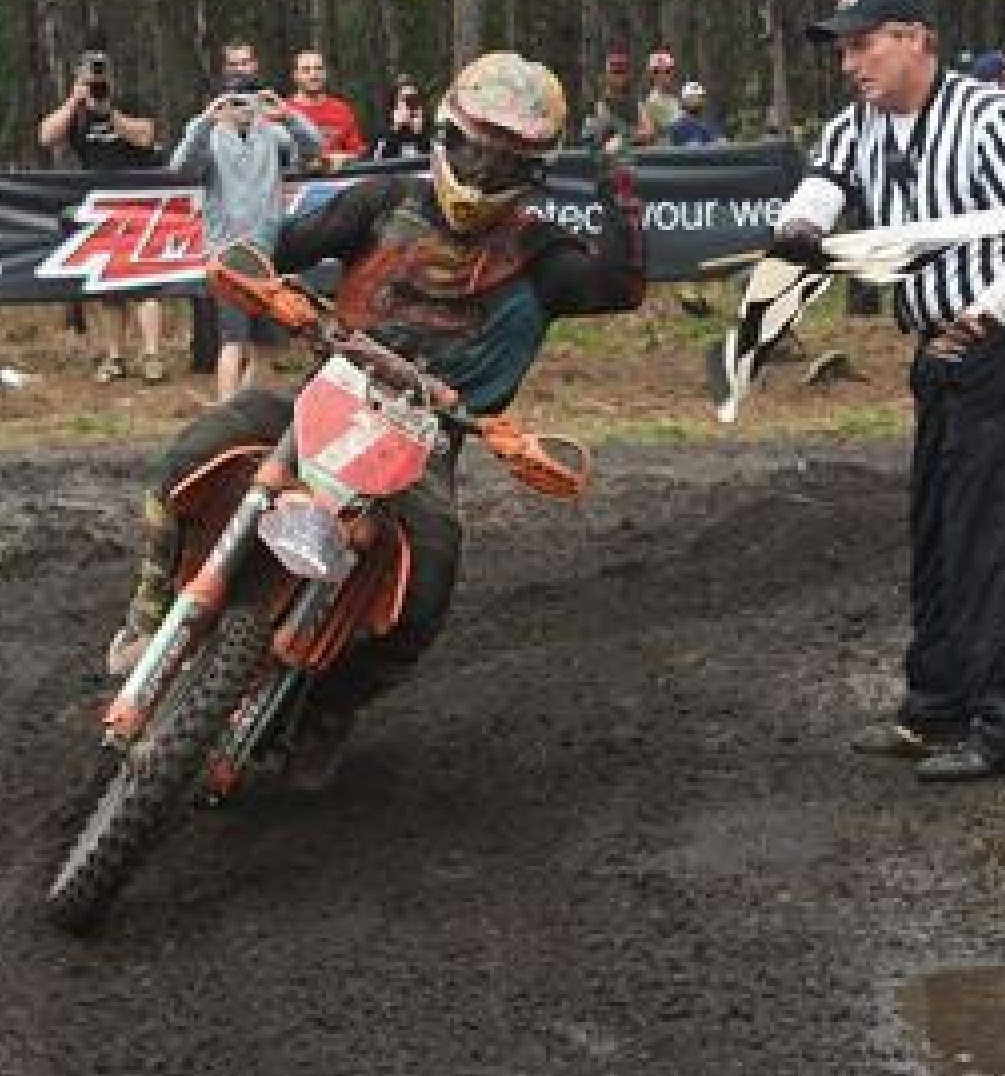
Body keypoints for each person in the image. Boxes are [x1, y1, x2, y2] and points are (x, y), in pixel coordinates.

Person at [111, 51, 645, 785]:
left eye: (503, 162)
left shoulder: (539, 251)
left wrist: (620, 191)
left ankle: (330, 709)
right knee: (198, 449)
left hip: (425, 442)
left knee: (428, 586)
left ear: (532, 171)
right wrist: (260, 273)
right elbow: (279, 246)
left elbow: (617, 286)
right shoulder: (383, 202)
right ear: (445, 137)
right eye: (473, 151)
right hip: (330, 394)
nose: (481, 173)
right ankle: (149, 609)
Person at [772, 0, 1005, 781]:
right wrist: (798, 228)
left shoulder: (991, 118)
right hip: (935, 347)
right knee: (938, 524)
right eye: (844, 50)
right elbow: (823, 185)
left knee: (999, 528)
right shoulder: (860, 126)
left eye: (863, 46)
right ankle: (938, 704)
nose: (850, 65)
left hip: (1003, 340)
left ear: (915, 39)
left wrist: (985, 317)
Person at [170, 72, 322, 400]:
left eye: (247, 100)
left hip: (266, 252)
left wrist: (289, 115)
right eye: (234, 101)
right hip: (227, 254)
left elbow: (314, 149)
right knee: (233, 340)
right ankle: (227, 408)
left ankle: (247, 406)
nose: (241, 108)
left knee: (267, 345)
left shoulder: (273, 134)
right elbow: (181, 168)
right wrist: (206, 121)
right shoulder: (206, 134)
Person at [37, 49, 167, 383]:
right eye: (90, 76)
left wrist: (111, 113)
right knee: (105, 285)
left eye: (101, 75)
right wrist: (74, 101)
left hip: (137, 199)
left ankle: (151, 355)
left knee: (144, 283)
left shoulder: (130, 100)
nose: (97, 82)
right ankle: (114, 356)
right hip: (98, 205)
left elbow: (145, 135)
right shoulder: (76, 109)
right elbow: (46, 137)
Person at [288, 47, 366, 165]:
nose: (313, 75)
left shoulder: (341, 109)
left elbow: (358, 152)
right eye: (306, 70)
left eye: (318, 69)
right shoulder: (284, 111)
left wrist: (343, 158)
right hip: (298, 174)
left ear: (325, 73)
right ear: (295, 75)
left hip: (339, 174)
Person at [579, 48, 643, 153]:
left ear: (629, 75)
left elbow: (648, 131)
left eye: (622, 72)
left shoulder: (636, 106)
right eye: (615, 72)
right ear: (606, 74)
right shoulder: (596, 109)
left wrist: (623, 139)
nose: (619, 76)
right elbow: (589, 141)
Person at [369, 75, 434, 162]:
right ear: (393, 110)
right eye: (407, 101)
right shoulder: (382, 144)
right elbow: (377, 165)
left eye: (417, 101)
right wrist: (396, 131)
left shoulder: (434, 143)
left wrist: (420, 135)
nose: (413, 108)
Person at [639, 48, 683, 143]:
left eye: (669, 70)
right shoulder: (651, 102)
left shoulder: (676, 98)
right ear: (653, 74)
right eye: (658, 71)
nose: (668, 74)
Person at [667, 80, 726, 147]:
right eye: (693, 97)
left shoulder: (710, 123)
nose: (699, 101)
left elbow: (719, 142)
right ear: (685, 100)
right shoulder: (677, 127)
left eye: (700, 97)